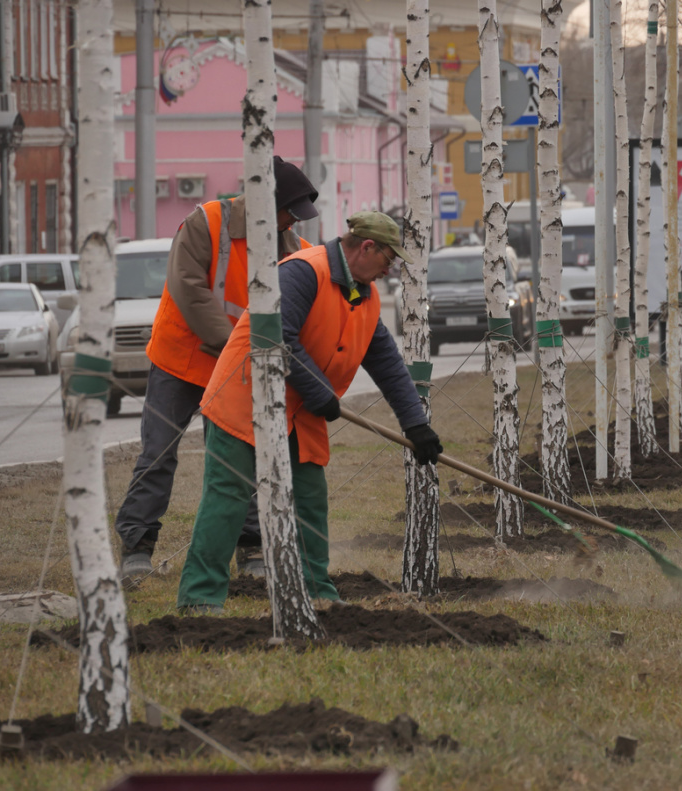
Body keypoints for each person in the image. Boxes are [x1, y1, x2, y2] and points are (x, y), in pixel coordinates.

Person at [176, 211, 443, 613]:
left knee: (310, 499)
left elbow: (388, 366)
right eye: (389, 258)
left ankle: (316, 592)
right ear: (366, 247)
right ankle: (199, 599)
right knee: (228, 497)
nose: (390, 269)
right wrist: (320, 391)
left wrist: (417, 426)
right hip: (243, 398)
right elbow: (277, 336)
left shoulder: (364, 296)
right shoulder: (303, 272)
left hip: (300, 410)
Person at [117, 157, 319, 581]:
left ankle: (250, 548)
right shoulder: (206, 222)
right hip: (181, 360)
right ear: (267, 203)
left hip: (238, 368)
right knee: (158, 454)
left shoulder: (295, 252)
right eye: (288, 214)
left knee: (238, 458)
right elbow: (188, 289)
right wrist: (237, 350)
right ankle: (137, 545)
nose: (291, 225)